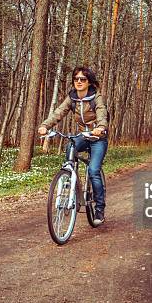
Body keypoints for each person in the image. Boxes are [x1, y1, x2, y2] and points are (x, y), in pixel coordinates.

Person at [38, 66, 109, 226]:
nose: (78, 82)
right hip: (82, 136)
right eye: (76, 79)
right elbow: (58, 113)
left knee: (93, 170)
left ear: (89, 81)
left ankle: (99, 208)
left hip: (98, 138)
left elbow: (102, 113)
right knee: (70, 147)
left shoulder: (96, 97)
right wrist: (45, 126)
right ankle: (70, 180)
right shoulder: (72, 98)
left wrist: (100, 127)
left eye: (82, 79)